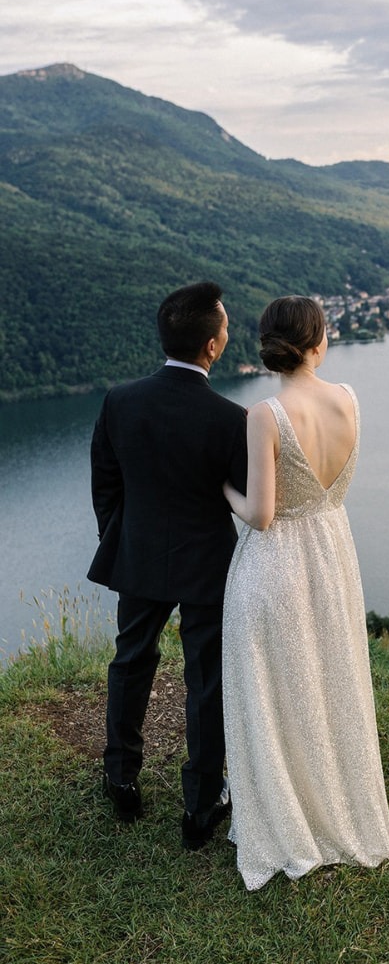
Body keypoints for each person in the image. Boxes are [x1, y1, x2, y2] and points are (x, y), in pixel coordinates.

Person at [221, 295, 389, 890]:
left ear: (270, 345)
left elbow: (262, 515)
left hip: (277, 563)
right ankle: (336, 802)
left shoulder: (264, 415)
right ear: (318, 341)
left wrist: (224, 490)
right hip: (332, 553)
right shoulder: (348, 399)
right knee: (329, 678)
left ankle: (288, 813)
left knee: (276, 689)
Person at [88, 281, 248, 850]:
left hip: (141, 556)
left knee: (131, 659)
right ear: (211, 348)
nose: (227, 334)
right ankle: (201, 807)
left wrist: (124, 537)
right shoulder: (233, 419)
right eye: (225, 328)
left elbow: (106, 484)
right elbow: (247, 497)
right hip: (208, 564)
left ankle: (120, 777)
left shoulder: (120, 400)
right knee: (206, 679)